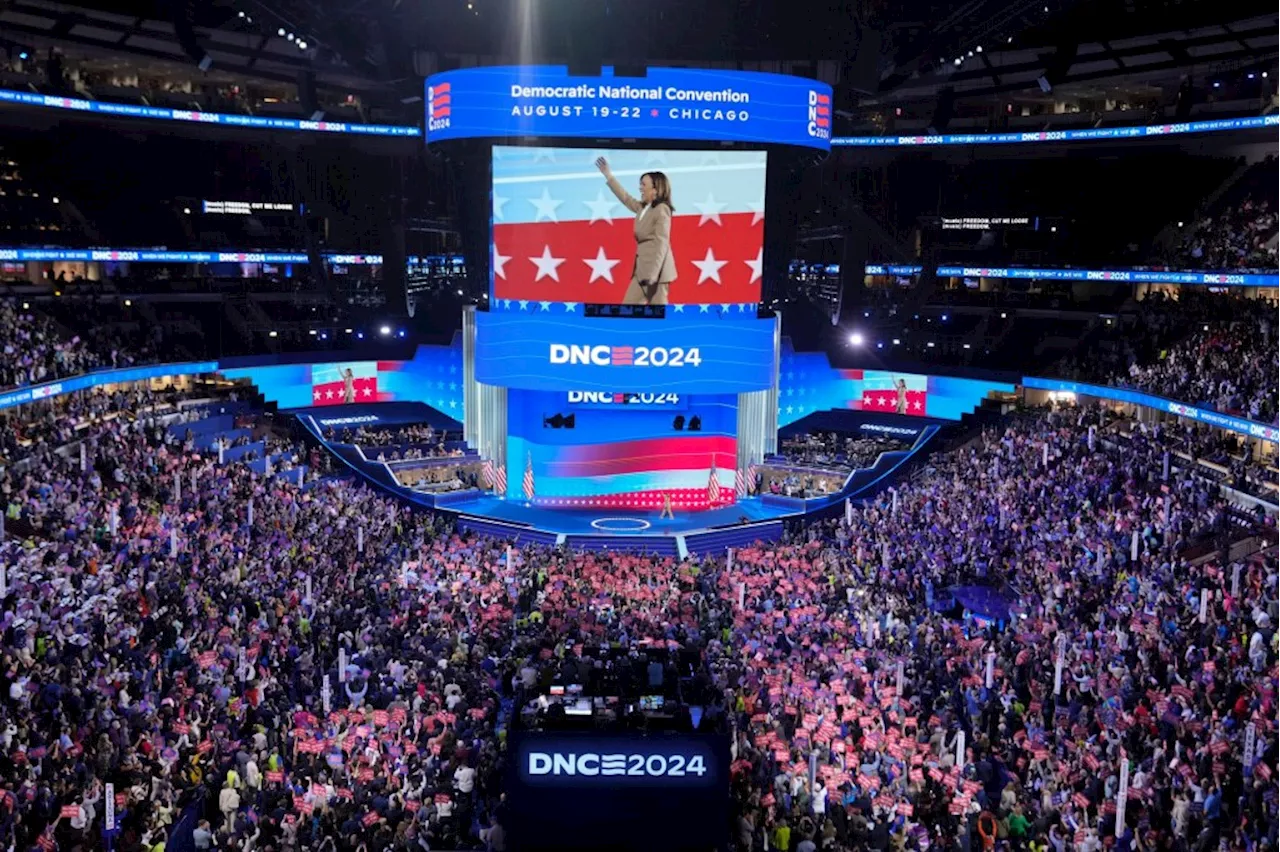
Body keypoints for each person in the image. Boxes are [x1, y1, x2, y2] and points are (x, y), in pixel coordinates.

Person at [595, 156, 677, 306]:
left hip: (656, 274)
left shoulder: (662, 209)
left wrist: (653, 274)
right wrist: (609, 176)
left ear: (655, 189)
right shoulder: (642, 208)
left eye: (643, 184)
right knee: (627, 310)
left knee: (657, 317)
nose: (640, 188)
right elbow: (625, 198)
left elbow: (662, 243)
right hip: (641, 272)